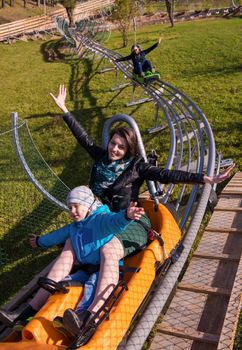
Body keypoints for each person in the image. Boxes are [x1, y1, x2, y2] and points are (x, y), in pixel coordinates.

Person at [45, 85, 235, 335]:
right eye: (113, 143)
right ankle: (42, 306)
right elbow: (84, 139)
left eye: (121, 147)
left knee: (108, 249)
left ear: (129, 150)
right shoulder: (102, 158)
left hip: (130, 222)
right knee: (74, 244)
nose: (114, 150)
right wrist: (64, 110)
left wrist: (204, 179)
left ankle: (91, 317)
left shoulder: (136, 167)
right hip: (102, 221)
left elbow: (166, 174)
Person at [0, 186, 144, 331]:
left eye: (76, 206)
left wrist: (126, 215)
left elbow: (114, 221)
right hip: (85, 270)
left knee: (91, 287)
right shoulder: (74, 227)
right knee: (62, 284)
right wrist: (39, 241)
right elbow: (55, 236)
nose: (72, 211)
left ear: (88, 205)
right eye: (70, 207)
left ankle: (83, 317)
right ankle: (27, 315)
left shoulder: (100, 220)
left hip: (102, 271)